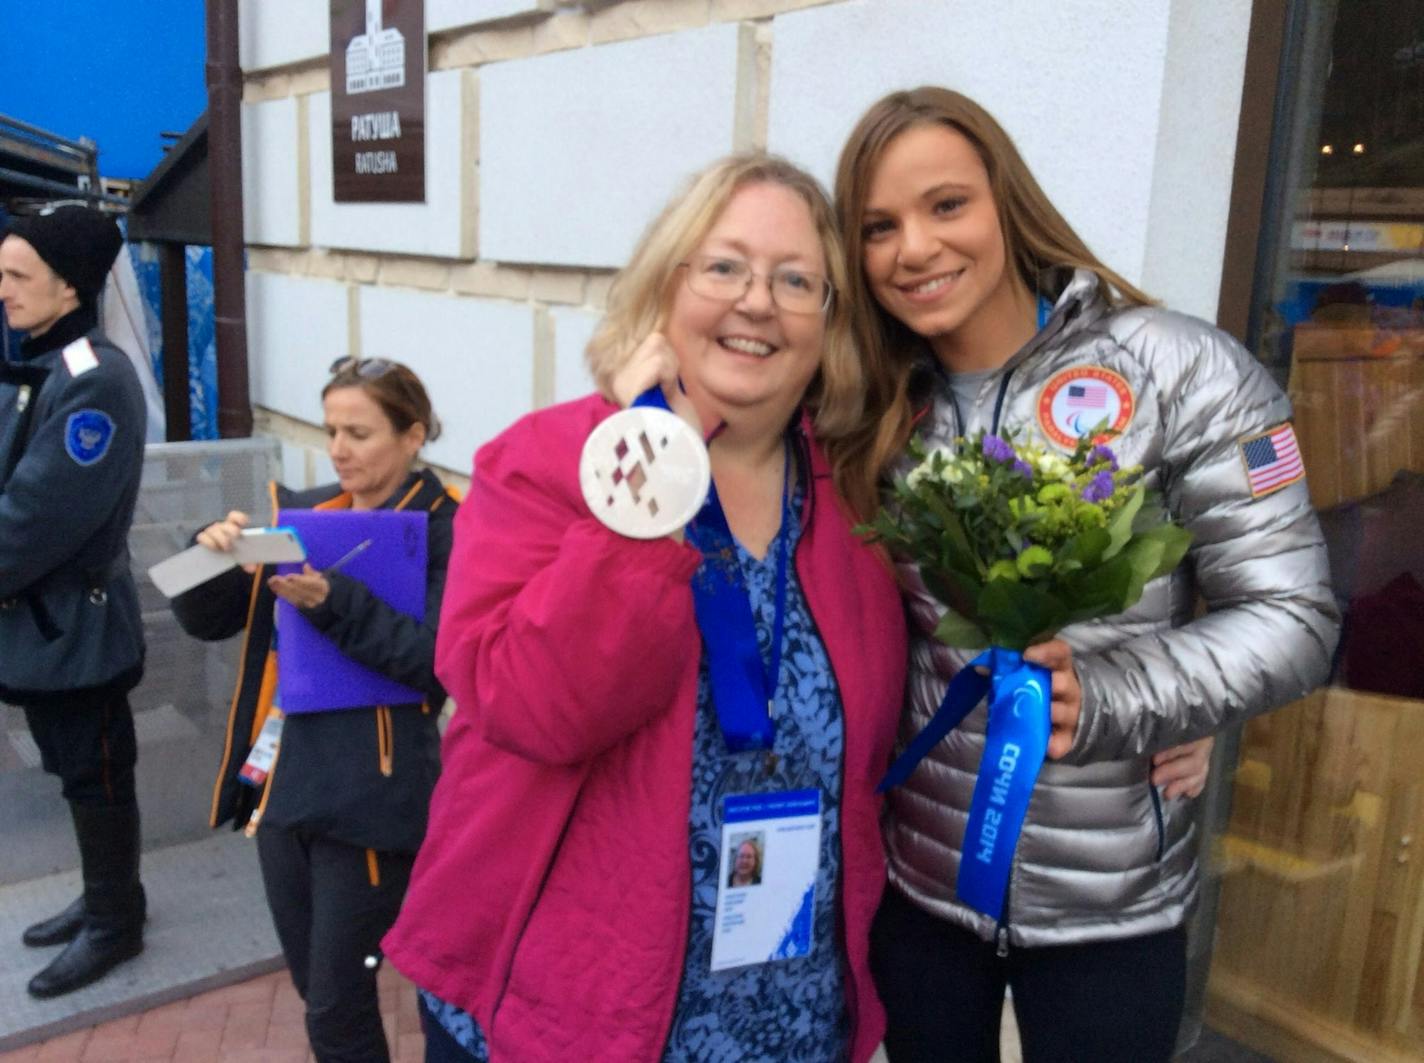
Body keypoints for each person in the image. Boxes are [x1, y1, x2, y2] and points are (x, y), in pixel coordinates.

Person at [828, 87, 1340, 1062]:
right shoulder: (871, 404)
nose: (915, 249)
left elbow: (1292, 615)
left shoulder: (1178, 368)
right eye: (875, 227)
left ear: (1004, 202)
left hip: (1111, 900)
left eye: (945, 205)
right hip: (922, 884)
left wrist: (1117, 697)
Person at [382, 154, 908, 1063]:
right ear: (665, 287)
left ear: (829, 325)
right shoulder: (547, 461)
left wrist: (1125, 692)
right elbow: (535, 706)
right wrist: (650, 464)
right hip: (571, 1013)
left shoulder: (854, 495)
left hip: (786, 1016)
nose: (756, 301)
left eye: (795, 281)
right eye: (724, 267)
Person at [172, 358, 456, 1062]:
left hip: (370, 801)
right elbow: (207, 621)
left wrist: (336, 604)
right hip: (284, 789)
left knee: (336, 1007)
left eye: (359, 431)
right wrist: (206, 556)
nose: (338, 447)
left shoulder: (447, 528)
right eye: (332, 429)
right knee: (317, 991)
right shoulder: (309, 511)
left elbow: (438, 663)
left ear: (412, 434)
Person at [0, 206, 148, 999]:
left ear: (69, 287)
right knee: (74, 769)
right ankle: (108, 897)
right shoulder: (50, 365)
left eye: (18, 277)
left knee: (97, 774)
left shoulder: (94, 382)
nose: (2, 292)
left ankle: (116, 923)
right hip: (45, 628)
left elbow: (30, 522)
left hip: (77, 630)